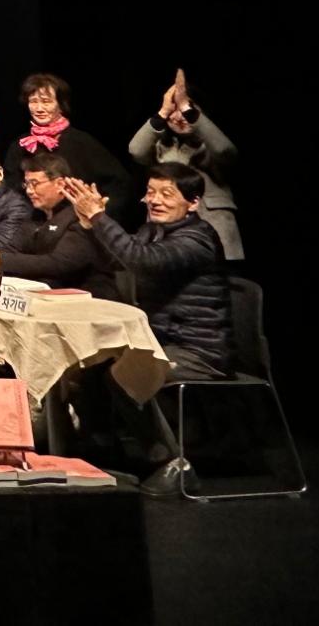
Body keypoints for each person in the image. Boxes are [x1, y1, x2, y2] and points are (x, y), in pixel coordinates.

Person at [64, 164, 233, 494]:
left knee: (127, 375)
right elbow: (117, 261)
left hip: (200, 350)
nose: (155, 200)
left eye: (167, 194)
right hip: (162, 340)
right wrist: (88, 225)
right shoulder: (152, 230)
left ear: (193, 203)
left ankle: (172, 463)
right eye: (151, 192)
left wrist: (99, 217)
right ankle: (101, 450)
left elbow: (142, 261)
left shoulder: (197, 239)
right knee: (89, 362)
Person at [129, 69, 240, 261]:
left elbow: (224, 151)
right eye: (174, 110)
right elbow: (136, 150)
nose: (179, 116)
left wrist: (188, 110)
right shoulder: (161, 146)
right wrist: (163, 112)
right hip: (168, 229)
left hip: (211, 223)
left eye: (185, 110)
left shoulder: (211, 144)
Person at [0, 152, 110, 293]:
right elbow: (12, 250)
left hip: (87, 297)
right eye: (27, 184)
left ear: (60, 184)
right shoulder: (35, 216)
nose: (29, 191)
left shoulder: (80, 216)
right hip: (40, 293)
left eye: (35, 184)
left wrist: (1, 260)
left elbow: (60, 263)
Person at [4, 73, 133, 213]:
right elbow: (10, 190)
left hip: (78, 220)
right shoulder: (20, 145)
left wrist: (100, 215)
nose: (39, 108)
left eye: (46, 101)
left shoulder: (81, 142)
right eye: (33, 102)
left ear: (61, 105)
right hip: (33, 220)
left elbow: (119, 183)